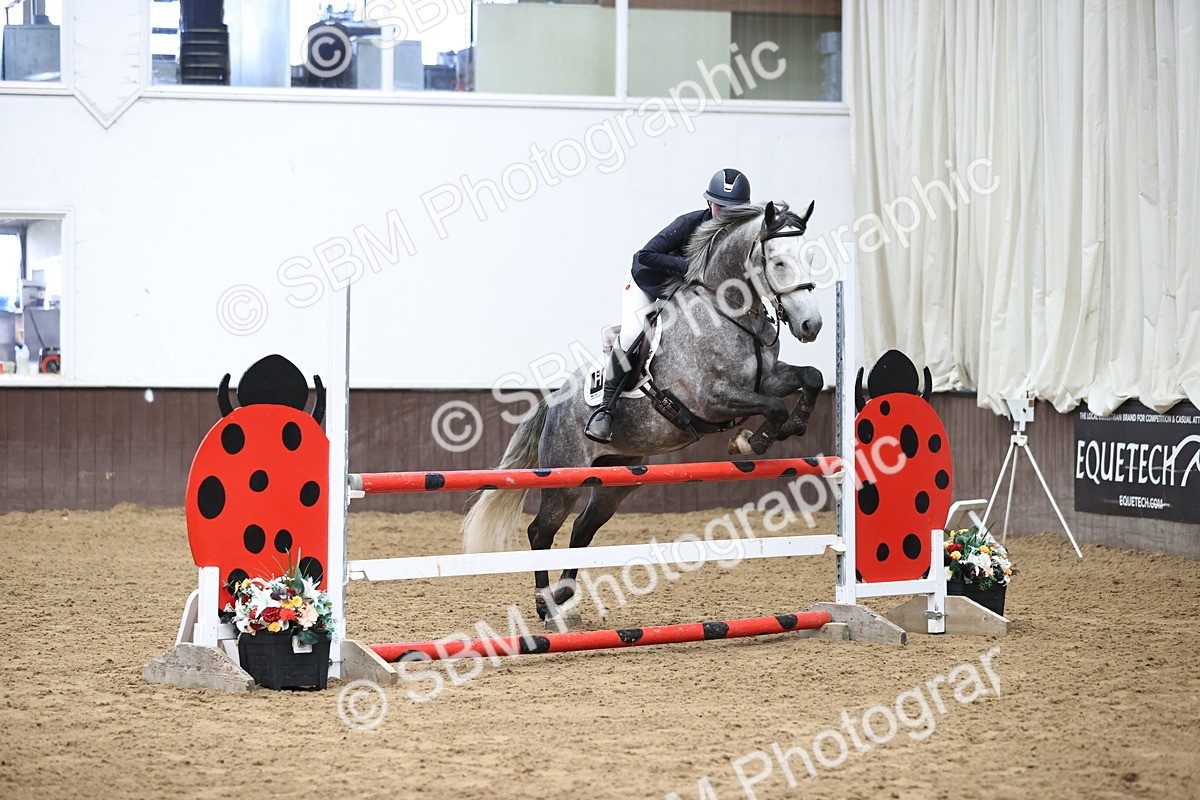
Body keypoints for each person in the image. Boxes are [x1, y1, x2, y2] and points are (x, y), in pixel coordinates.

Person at [585, 168, 752, 443]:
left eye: (732, 210)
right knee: (631, 334)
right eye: (720, 207)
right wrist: (690, 267)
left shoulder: (740, 237)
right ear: (710, 203)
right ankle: (605, 409)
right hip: (648, 282)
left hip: (685, 291)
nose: (724, 215)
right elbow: (646, 255)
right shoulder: (688, 223)